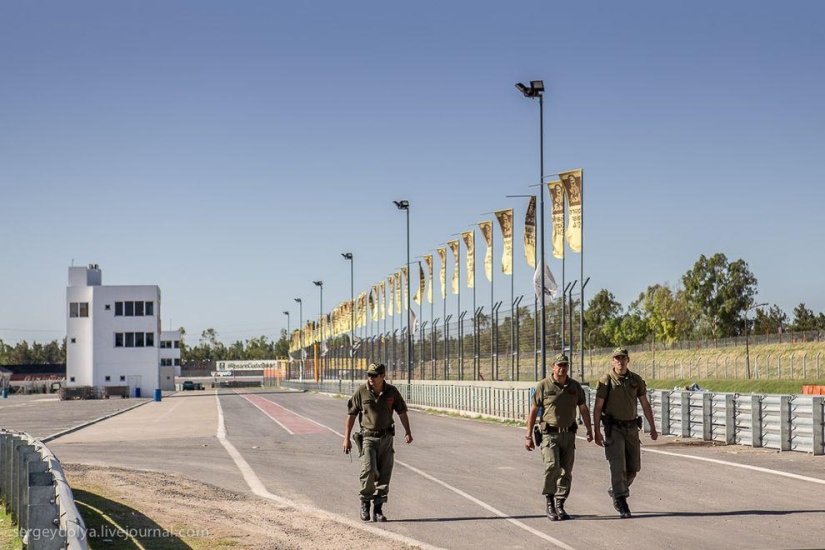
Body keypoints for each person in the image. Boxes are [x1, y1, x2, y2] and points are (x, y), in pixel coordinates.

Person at [525, 354, 593, 521]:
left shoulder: (575, 386)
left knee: (566, 471)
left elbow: (583, 409)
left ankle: (560, 504)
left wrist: (591, 430)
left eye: (565, 365)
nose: (562, 368)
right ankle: (549, 501)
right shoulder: (543, 386)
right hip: (550, 434)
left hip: (569, 435)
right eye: (559, 365)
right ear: (553, 367)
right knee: (552, 466)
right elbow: (533, 411)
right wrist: (528, 436)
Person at [593, 347, 658, 519]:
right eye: (617, 358)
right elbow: (598, 407)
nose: (620, 361)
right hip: (614, 429)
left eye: (623, 358)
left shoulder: (635, 380)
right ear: (612, 361)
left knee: (634, 467)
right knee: (617, 465)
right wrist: (596, 430)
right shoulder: (606, 380)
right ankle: (621, 500)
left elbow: (645, 404)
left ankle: (616, 489)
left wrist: (652, 426)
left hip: (631, 429)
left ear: (628, 360)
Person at [343, 363, 413, 522]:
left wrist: (408, 432)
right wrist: (346, 438)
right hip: (368, 438)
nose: (371, 378)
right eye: (369, 375)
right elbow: (351, 415)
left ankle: (378, 509)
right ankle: (365, 504)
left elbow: (402, 412)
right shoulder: (361, 391)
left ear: (383, 376)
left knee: (385, 473)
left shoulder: (391, 392)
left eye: (374, 375)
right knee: (369, 470)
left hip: (387, 438)